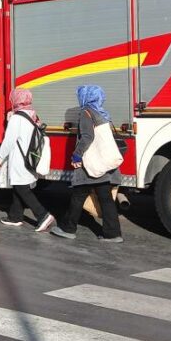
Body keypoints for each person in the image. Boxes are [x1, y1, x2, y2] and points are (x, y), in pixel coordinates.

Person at [53, 85, 123, 242]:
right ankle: (113, 233)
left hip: (90, 164)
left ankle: (68, 228)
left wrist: (77, 155)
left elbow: (87, 137)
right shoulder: (102, 113)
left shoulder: (86, 112)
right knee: (105, 198)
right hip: (102, 164)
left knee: (78, 195)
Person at [0, 88, 55, 232]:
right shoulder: (32, 115)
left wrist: (0, 157)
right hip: (29, 157)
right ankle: (15, 217)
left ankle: (43, 215)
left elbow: (9, 140)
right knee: (19, 186)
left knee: (22, 188)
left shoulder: (17, 118)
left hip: (19, 159)